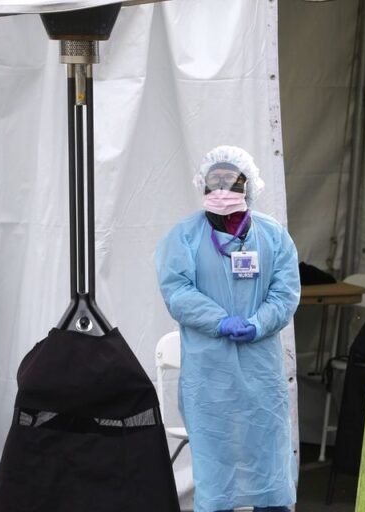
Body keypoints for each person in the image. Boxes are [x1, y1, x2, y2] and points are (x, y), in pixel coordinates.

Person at [154, 146, 301, 512]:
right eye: (214, 180)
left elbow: (285, 293)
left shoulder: (273, 236)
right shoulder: (184, 236)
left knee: (268, 455)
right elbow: (177, 291)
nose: (221, 188)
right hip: (210, 375)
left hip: (261, 372)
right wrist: (219, 320)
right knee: (216, 461)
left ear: (249, 185)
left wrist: (258, 323)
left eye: (231, 180)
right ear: (202, 185)